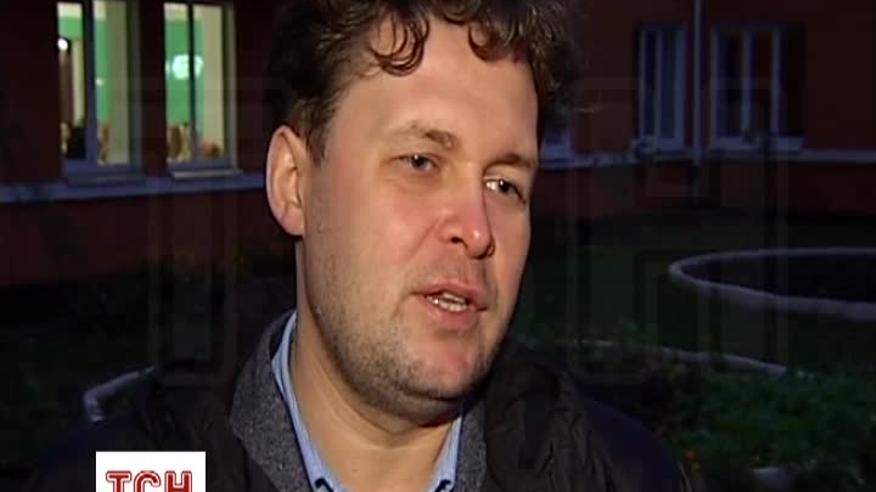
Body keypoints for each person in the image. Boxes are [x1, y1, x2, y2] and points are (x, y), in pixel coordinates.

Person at [25, 1, 690, 491]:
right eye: (420, 161)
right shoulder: (112, 480)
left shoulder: (622, 478)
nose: (478, 229)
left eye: (504, 184)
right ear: (294, 183)